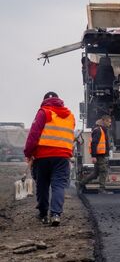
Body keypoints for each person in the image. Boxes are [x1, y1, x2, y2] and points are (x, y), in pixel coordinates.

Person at [24, 92, 75, 226]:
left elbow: (33, 135)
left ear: (45, 100)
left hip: (43, 156)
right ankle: (56, 214)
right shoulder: (70, 116)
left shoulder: (44, 112)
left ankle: (43, 214)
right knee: (58, 185)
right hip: (62, 157)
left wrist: (28, 153)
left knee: (42, 185)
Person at [79, 115, 112, 192]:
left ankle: (81, 183)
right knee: (103, 171)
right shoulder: (98, 130)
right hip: (99, 155)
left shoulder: (101, 129)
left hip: (100, 154)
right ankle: (101, 189)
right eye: (109, 122)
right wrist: (93, 156)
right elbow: (94, 143)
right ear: (104, 121)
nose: (110, 124)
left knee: (95, 173)